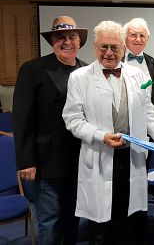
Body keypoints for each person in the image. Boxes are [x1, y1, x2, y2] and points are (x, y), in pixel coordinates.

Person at [62, 20, 154, 244]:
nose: (108, 52)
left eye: (114, 47)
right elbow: (73, 119)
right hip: (99, 155)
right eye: (103, 47)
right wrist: (100, 136)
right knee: (101, 225)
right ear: (95, 47)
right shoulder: (79, 77)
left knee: (130, 220)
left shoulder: (140, 76)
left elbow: (148, 113)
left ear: (123, 48)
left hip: (131, 156)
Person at [13, 15, 87, 244]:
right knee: (50, 220)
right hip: (46, 163)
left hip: (80, 160)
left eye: (72, 36)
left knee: (74, 217)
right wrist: (26, 161)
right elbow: (22, 117)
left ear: (79, 41)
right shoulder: (33, 69)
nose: (67, 42)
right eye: (60, 37)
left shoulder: (86, 70)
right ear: (52, 41)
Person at [123, 18, 154, 107]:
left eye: (142, 35)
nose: (138, 39)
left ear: (147, 38)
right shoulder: (116, 61)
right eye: (133, 35)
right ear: (125, 37)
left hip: (148, 116)